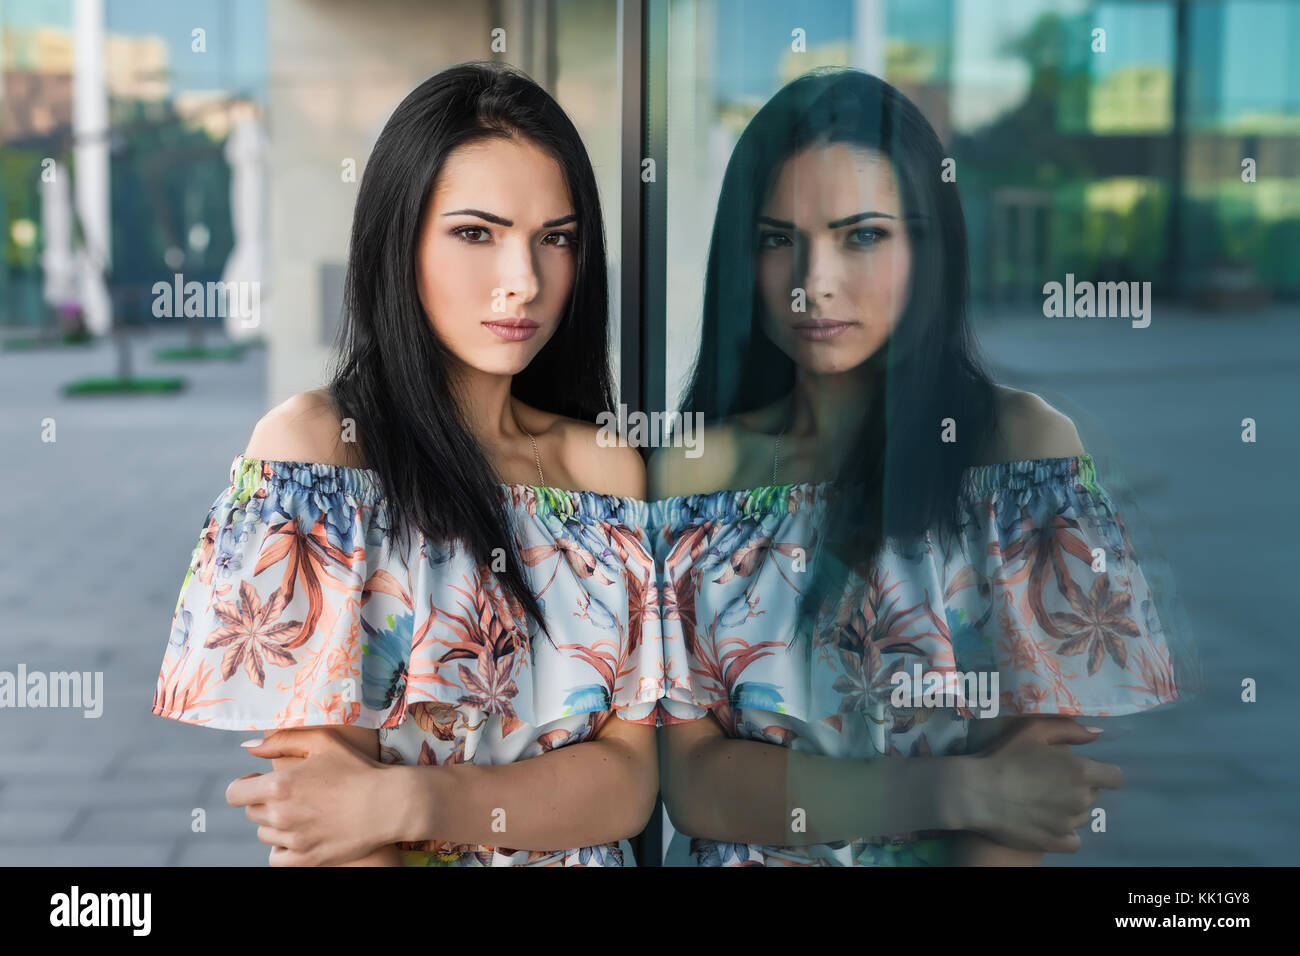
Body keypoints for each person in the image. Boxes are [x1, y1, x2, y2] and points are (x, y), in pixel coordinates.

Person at [648, 67, 1195, 866]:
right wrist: (958, 788)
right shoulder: (690, 478)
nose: (813, 285)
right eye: (777, 240)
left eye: (861, 235)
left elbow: (1029, 797)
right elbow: (696, 787)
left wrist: (981, 796)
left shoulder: (1020, 457)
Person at [153, 62, 661, 866]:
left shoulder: (605, 473)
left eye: (555, 239)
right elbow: (323, 824)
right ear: (400, 238)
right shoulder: (317, 461)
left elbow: (628, 785)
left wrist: (407, 798)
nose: (523, 281)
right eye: (475, 233)